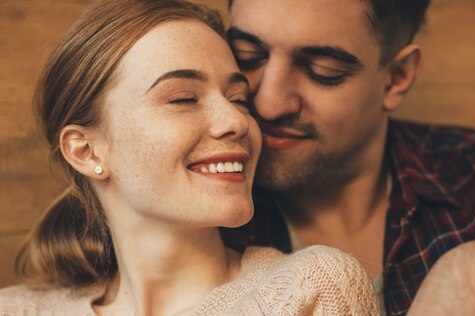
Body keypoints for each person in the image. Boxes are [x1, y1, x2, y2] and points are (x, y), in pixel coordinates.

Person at [221, 0, 475, 315]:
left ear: (397, 78)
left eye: (323, 71)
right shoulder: (199, 211)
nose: (270, 104)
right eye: (247, 56)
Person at [0, 0, 378, 315]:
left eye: (238, 99)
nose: (237, 121)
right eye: (184, 98)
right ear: (86, 151)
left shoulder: (311, 290)